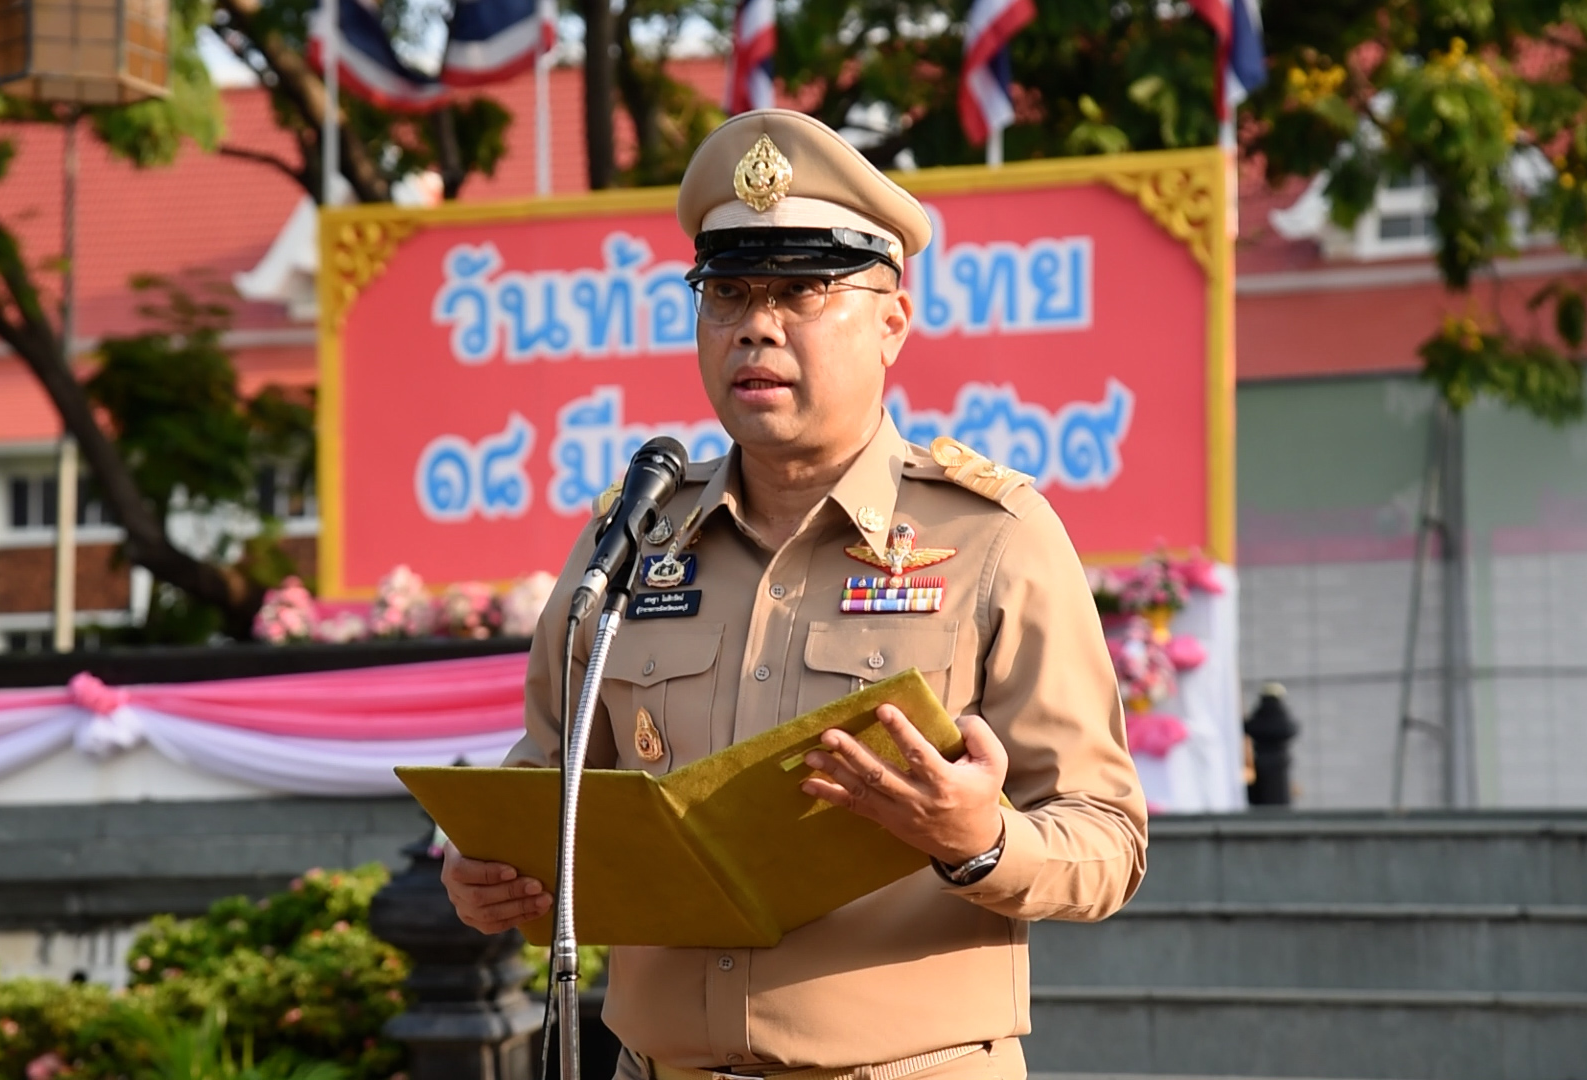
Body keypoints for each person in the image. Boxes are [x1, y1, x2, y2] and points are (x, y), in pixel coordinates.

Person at [441, 108, 1146, 1080]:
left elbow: (1106, 837)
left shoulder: (992, 538)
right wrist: (487, 869)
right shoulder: (636, 535)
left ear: (892, 320)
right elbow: (551, 779)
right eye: (728, 294)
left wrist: (977, 838)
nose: (756, 327)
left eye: (801, 293)